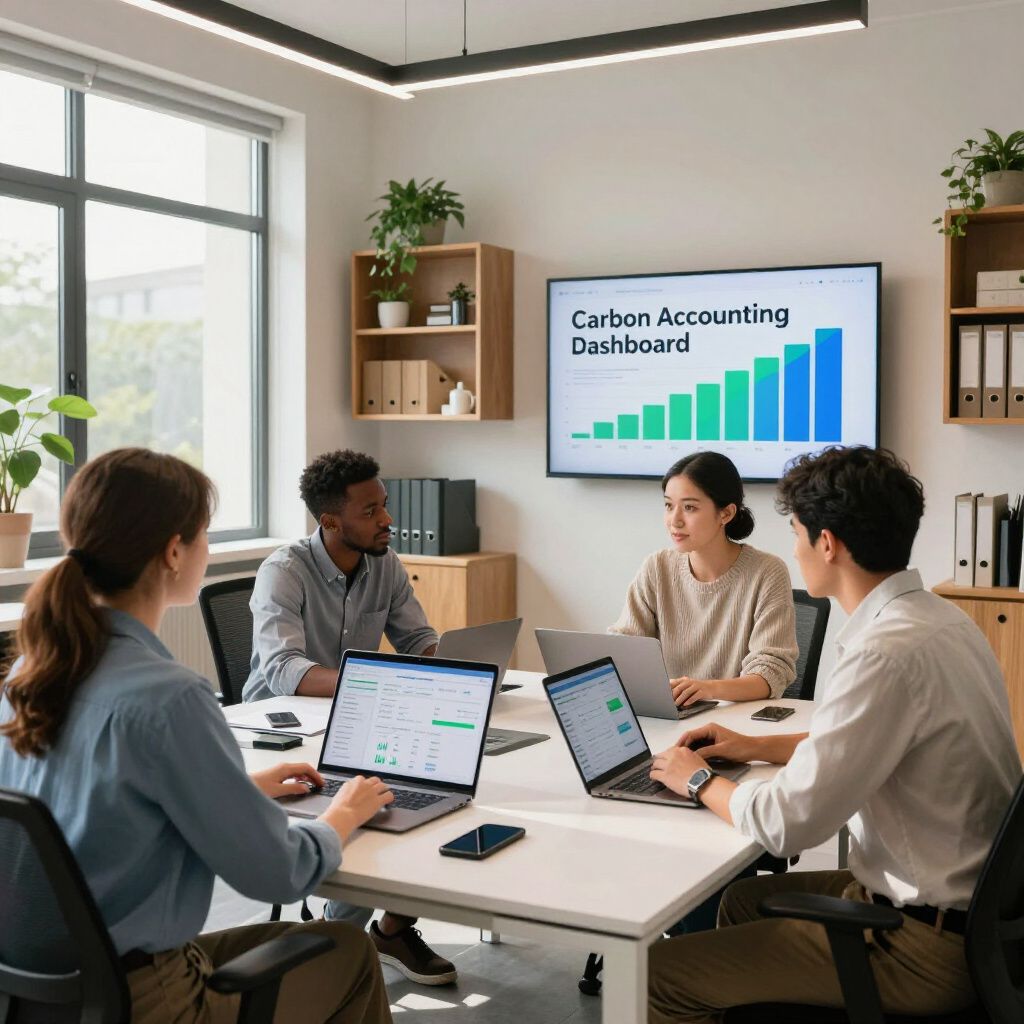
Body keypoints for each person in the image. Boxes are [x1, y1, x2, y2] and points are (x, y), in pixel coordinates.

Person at [0, 448, 394, 1024]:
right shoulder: (173, 697)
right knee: (350, 949)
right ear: (174, 551)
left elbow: (93, 809)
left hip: (40, 997)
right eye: (205, 535)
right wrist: (342, 815)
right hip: (148, 999)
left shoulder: (26, 674)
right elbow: (278, 872)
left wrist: (241, 791)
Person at [646, 446, 1023, 1022]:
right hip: (978, 919)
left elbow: (786, 824)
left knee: (654, 977)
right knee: (742, 899)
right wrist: (750, 746)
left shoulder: (883, 654)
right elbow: (867, 744)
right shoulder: (940, 620)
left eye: (797, 533)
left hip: (920, 946)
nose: (794, 550)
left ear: (828, 543)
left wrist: (696, 779)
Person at [243, 449, 454, 985]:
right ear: (330, 520)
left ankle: (388, 927)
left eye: (384, 505)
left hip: (363, 718)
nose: (387, 520)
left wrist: (446, 671)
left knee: (442, 787)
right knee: (374, 797)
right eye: (370, 511)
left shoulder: (386, 564)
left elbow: (418, 641)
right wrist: (380, 684)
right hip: (282, 731)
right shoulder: (283, 571)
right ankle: (341, 947)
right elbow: (286, 672)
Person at [611, 451, 797, 707]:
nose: (674, 520)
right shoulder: (657, 567)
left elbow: (769, 674)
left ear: (726, 513)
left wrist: (706, 689)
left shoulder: (767, 571)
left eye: (689, 507)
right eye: (668, 505)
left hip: (737, 723)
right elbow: (625, 648)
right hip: (671, 716)